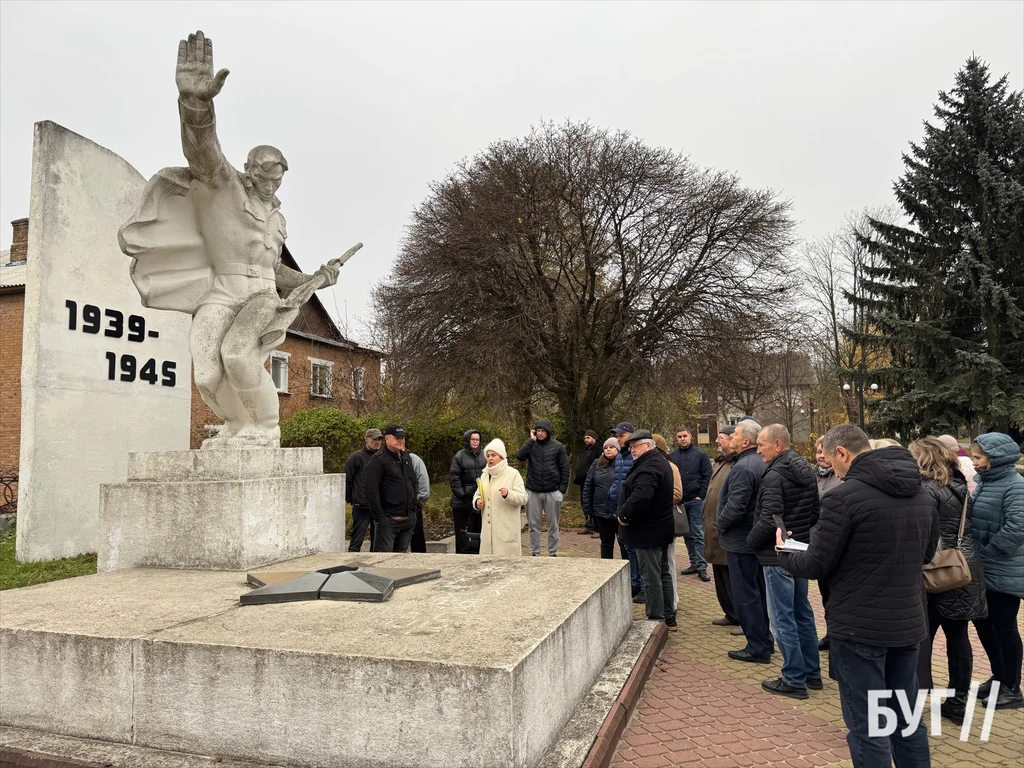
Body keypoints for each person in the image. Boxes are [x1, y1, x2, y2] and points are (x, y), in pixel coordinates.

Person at [121, 31, 344, 449]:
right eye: (262, 176)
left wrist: (315, 278)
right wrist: (196, 103)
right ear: (248, 170)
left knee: (238, 352)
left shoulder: (278, 219)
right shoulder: (224, 187)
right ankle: (239, 425)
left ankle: (267, 426)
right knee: (206, 370)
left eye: (276, 179)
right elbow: (202, 149)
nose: (269, 185)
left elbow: (272, 269)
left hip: (261, 295)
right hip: (222, 290)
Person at [777, 424, 938, 768]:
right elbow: (925, 555)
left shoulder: (842, 498)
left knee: (869, 727)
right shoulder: (922, 493)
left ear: (843, 453)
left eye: (831, 460)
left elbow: (817, 563)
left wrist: (784, 551)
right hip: (907, 625)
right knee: (907, 720)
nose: (832, 469)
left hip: (858, 629)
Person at [907, 437, 987, 722]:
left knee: (920, 641)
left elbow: (922, 535)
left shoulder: (924, 491)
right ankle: (958, 702)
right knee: (958, 638)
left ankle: (913, 704)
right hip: (961, 567)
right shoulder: (960, 486)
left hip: (933, 571)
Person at [747, 424, 821, 699]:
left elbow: (768, 519)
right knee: (802, 613)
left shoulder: (774, 476)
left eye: (762, 445)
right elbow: (815, 513)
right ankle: (812, 673)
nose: (758, 450)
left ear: (778, 445)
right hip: (800, 551)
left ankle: (793, 678)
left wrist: (751, 542)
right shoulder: (807, 471)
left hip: (777, 555)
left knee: (782, 619)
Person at [970, 432, 1024, 710]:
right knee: (983, 624)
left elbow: (1017, 528)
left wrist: (986, 553)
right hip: (984, 569)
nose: (974, 462)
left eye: (978, 458)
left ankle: (1012, 687)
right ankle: (998, 676)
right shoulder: (984, 482)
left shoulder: (1015, 486)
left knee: (1004, 628)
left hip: (1003, 570)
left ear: (996, 459)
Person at [718, 419, 773, 663]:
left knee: (746, 595)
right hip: (754, 540)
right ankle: (765, 640)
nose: (732, 437)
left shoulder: (743, 466)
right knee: (758, 593)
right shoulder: (759, 462)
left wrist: (719, 524)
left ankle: (757, 646)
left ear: (746, 441)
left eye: (736, 434)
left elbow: (736, 506)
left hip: (741, 542)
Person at [617, 431, 676, 628]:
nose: (632, 450)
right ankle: (669, 616)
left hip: (648, 531)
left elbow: (641, 497)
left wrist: (624, 515)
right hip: (659, 528)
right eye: (631, 447)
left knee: (651, 577)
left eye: (636, 446)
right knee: (662, 573)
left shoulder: (649, 467)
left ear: (648, 446)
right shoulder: (658, 462)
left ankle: (656, 619)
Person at [704, 426, 742, 634]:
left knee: (731, 576)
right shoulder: (721, 463)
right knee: (719, 573)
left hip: (726, 531)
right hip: (714, 529)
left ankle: (740, 616)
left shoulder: (737, 464)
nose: (717, 442)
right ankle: (730, 613)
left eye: (721, 438)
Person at [516, 418, 570, 557]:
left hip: (553, 491)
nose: (540, 433)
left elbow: (565, 468)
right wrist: (530, 440)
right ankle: (535, 553)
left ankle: (552, 552)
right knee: (533, 525)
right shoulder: (531, 445)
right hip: (533, 491)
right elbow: (520, 456)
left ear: (548, 432)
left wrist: (561, 490)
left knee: (553, 525)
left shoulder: (558, 447)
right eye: (538, 431)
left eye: (542, 431)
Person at [364, 425, 418, 553]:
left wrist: (413, 508)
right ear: (387, 439)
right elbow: (371, 492)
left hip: (408, 519)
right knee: (383, 562)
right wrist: (381, 519)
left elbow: (413, 482)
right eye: (397, 438)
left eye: (403, 438)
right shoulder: (377, 460)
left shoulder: (405, 457)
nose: (401, 441)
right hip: (388, 521)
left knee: (400, 561)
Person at [669, 427, 713, 582]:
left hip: (695, 500)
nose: (682, 439)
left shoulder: (700, 455)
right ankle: (693, 563)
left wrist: (701, 495)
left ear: (690, 436)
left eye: (685, 436)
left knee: (698, 534)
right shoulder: (672, 456)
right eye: (679, 436)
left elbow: (707, 475)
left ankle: (702, 567)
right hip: (680, 501)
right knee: (686, 534)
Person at [473, 439, 528, 556]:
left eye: (493, 455)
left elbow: (523, 497)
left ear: (502, 457)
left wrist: (509, 494)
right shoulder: (484, 475)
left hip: (506, 533)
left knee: (508, 567)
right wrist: (477, 502)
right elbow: (478, 494)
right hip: (488, 535)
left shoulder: (513, 474)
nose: (490, 458)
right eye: (488, 456)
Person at [813, 435, 842, 650]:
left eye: (824, 451)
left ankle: (838, 635)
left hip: (836, 542)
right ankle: (831, 634)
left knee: (835, 594)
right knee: (825, 594)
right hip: (819, 539)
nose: (821, 456)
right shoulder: (816, 476)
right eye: (817, 452)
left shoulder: (841, 477)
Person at [608, 422, 642, 599]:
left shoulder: (635, 456)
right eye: (617, 436)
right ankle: (634, 582)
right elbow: (617, 479)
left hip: (633, 508)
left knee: (636, 548)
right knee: (628, 547)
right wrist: (613, 493)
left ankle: (640, 584)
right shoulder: (620, 457)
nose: (618, 439)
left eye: (621, 436)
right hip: (620, 506)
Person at [654, 434, 683, 616]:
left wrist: (654, 500)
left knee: (669, 563)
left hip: (666, 519)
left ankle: (672, 601)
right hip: (654, 522)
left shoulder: (671, 467)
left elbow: (678, 494)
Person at [343, 428, 383, 552]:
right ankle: (351, 566)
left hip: (379, 506)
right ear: (367, 439)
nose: (377, 442)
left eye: (379, 440)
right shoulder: (356, 457)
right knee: (356, 541)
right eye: (374, 439)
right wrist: (351, 498)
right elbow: (346, 479)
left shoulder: (382, 457)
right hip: (361, 506)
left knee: (377, 542)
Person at [450, 430, 487, 554]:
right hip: (463, 504)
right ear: (467, 440)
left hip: (480, 502)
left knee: (478, 535)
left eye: (477, 439)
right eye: (473, 439)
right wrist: (464, 495)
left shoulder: (485, 455)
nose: (476, 442)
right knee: (463, 538)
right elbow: (454, 479)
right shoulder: (459, 457)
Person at [583, 438, 621, 559]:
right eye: (606, 448)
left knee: (625, 545)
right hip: (601, 512)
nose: (608, 449)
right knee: (606, 544)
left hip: (619, 512)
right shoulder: (596, 464)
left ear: (618, 449)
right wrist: (587, 509)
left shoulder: (623, 464)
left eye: (611, 447)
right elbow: (588, 486)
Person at [574, 430, 603, 532]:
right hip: (583, 481)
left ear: (594, 438)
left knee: (593, 503)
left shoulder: (599, 450)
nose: (586, 440)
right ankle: (588, 524)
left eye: (588, 438)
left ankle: (597, 528)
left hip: (593, 481)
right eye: (585, 438)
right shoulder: (586, 450)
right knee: (585, 503)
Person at [409, 451, 431, 554]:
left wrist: (419, 501)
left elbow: (423, 482)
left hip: (414, 505)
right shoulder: (384, 459)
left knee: (417, 538)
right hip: (393, 508)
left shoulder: (414, 459)